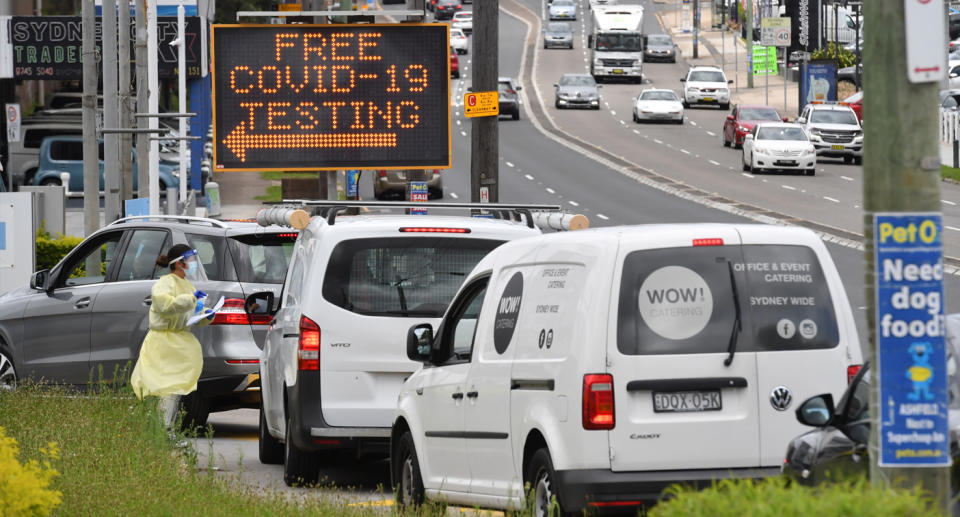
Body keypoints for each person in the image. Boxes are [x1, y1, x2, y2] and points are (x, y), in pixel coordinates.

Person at [130, 243, 215, 430]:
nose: (194, 263)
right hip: (164, 342)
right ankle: (162, 428)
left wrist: (205, 314)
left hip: (180, 342)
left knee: (176, 388)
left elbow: (188, 315)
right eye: (190, 259)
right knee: (166, 388)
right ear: (179, 263)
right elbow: (165, 306)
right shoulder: (164, 283)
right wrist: (191, 299)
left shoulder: (187, 284)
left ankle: (166, 428)